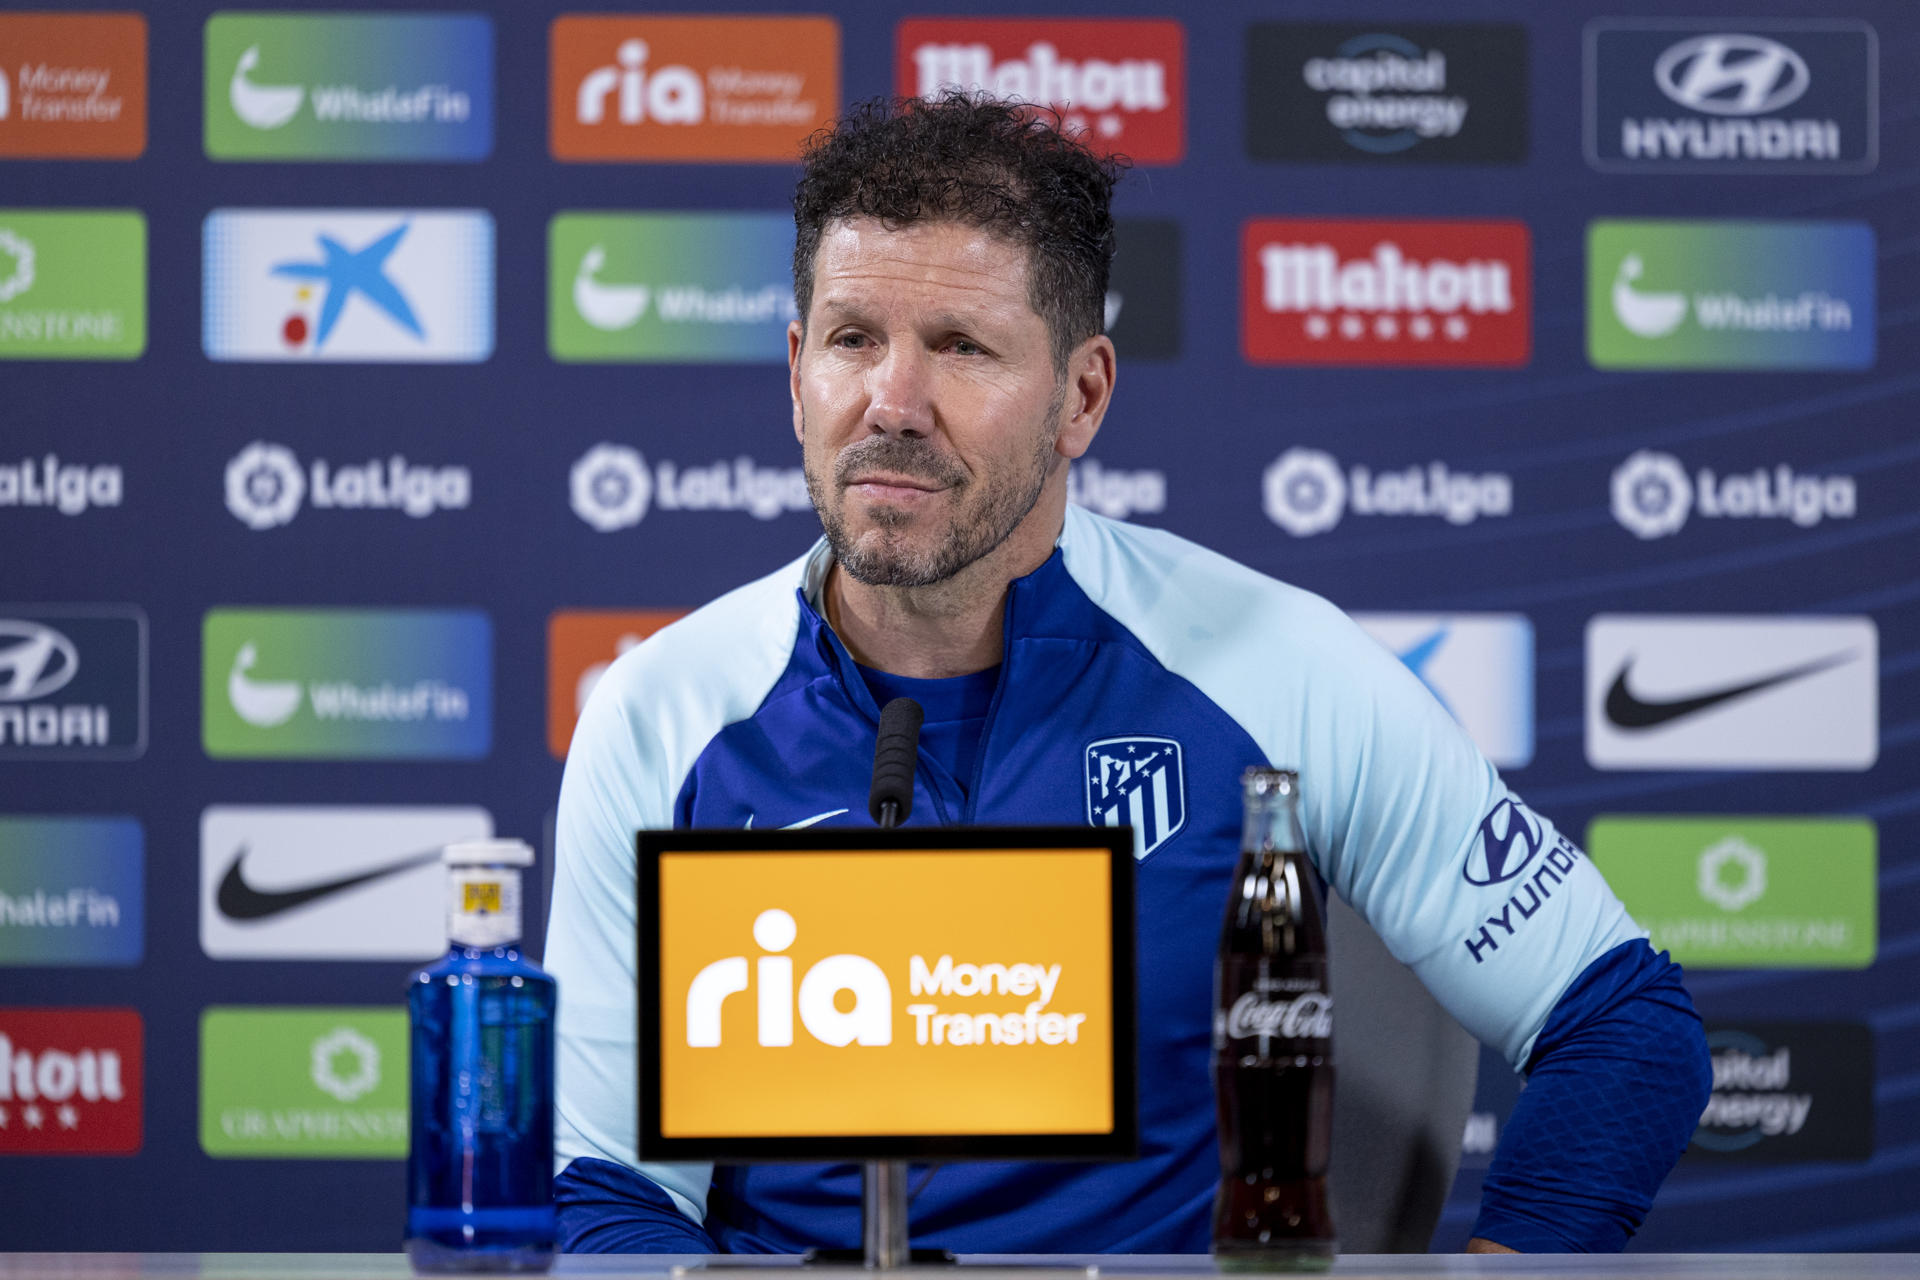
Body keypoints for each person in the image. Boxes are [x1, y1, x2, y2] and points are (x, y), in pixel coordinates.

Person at [545, 93, 1712, 1255]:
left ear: (1083, 396)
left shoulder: (1277, 668)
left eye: (961, 347)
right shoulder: (664, 715)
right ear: (797, 367)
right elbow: (602, 1191)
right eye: (853, 338)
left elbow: (1619, 1019)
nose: (892, 403)